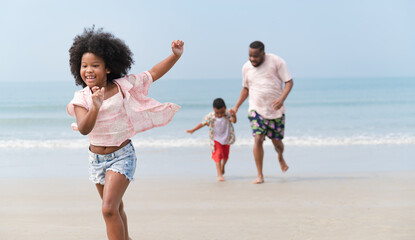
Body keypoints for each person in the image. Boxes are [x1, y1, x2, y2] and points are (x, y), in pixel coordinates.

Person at [66, 27, 183, 240]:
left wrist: (174, 56)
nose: (88, 70)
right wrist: (95, 105)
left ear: (108, 68)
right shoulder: (81, 97)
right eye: (84, 66)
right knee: (116, 208)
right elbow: (84, 128)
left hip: (122, 156)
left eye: (95, 65)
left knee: (108, 209)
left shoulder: (122, 87)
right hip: (96, 160)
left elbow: (153, 73)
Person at [231, 41, 293, 184]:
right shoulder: (246, 67)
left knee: (277, 143)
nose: (252, 59)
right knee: (258, 138)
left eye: (256, 56)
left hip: (276, 111)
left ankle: (280, 156)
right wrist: (236, 107)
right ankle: (260, 175)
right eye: (250, 56)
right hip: (256, 109)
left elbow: (289, 82)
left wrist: (282, 98)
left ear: (263, 54)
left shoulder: (277, 62)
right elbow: (246, 89)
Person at [186, 98, 237, 181]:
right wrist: (193, 130)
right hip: (216, 139)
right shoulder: (211, 116)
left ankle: (223, 165)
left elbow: (234, 121)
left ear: (225, 108)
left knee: (226, 156)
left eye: (222, 112)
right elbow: (202, 123)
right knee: (218, 154)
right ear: (214, 109)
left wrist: (234, 116)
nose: (220, 115)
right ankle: (220, 175)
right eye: (217, 113)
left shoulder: (227, 114)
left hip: (227, 139)